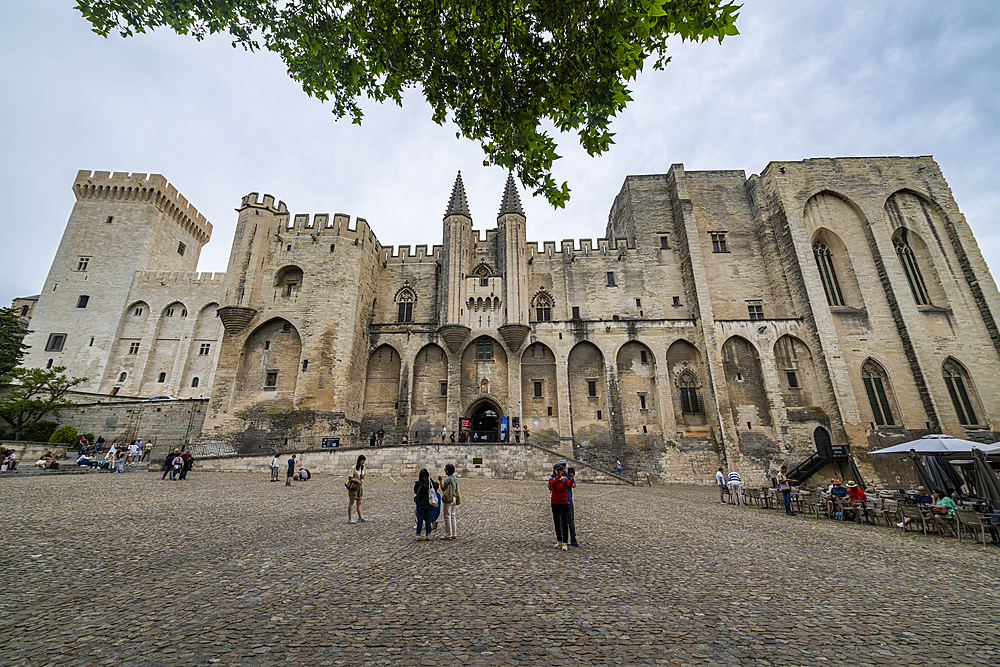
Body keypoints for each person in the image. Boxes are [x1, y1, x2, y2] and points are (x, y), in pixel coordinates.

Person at [549, 462, 572, 550]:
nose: (559, 472)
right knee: (557, 522)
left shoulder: (565, 479)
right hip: (555, 502)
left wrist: (572, 478)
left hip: (563, 502)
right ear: (554, 471)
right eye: (557, 470)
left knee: (564, 522)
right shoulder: (552, 479)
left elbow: (570, 485)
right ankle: (559, 540)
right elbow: (552, 484)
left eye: (560, 470)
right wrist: (559, 479)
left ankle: (565, 542)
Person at [413, 468, 439, 540]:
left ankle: (418, 534)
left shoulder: (418, 483)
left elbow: (415, 491)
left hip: (420, 504)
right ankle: (428, 534)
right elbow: (436, 487)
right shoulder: (430, 482)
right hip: (428, 503)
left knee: (420, 519)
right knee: (428, 519)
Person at [437, 464, 459, 540]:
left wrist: (440, 481)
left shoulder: (447, 479)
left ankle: (448, 534)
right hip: (454, 498)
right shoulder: (455, 478)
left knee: (447, 516)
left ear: (447, 471)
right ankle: (454, 533)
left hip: (448, 498)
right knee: (453, 516)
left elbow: (443, 488)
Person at [347, 455, 367, 523]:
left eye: (364, 461)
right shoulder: (354, 468)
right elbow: (350, 478)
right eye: (362, 461)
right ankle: (350, 518)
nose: (363, 462)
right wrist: (356, 480)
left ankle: (360, 517)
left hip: (360, 486)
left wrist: (362, 477)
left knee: (359, 502)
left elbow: (362, 477)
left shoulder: (363, 468)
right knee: (352, 502)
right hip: (353, 486)